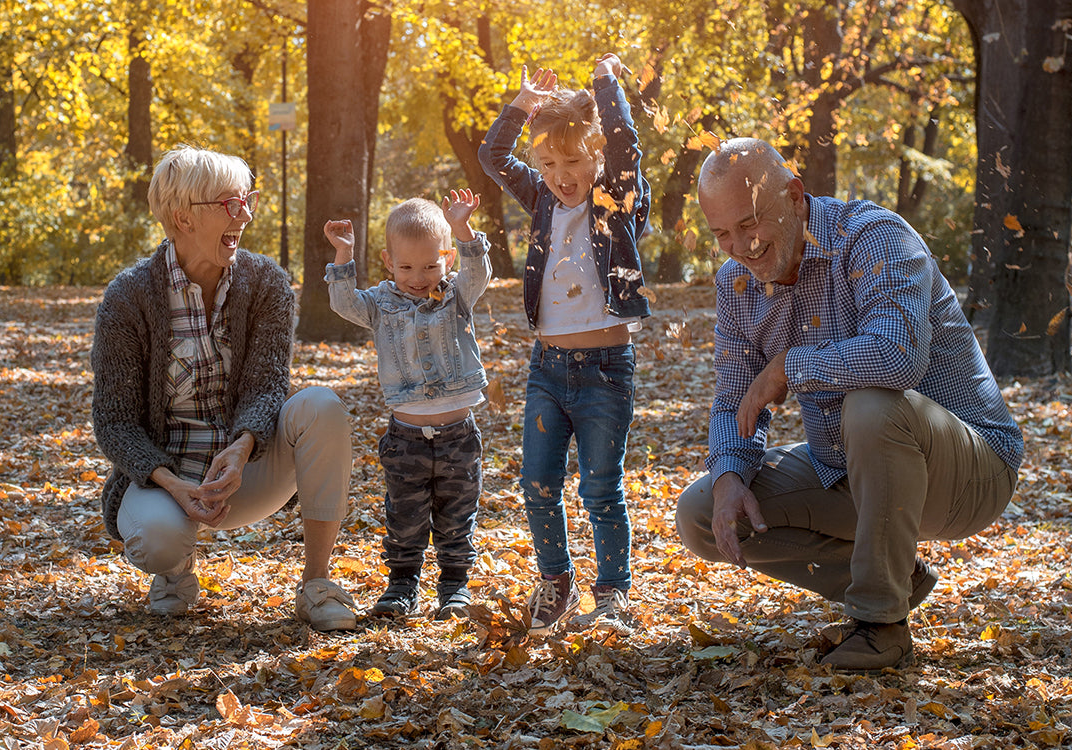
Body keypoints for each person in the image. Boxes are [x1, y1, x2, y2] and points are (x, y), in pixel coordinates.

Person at [674, 138, 1025, 669]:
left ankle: (880, 624)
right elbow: (734, 399)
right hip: (849, 471)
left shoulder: (873, 237)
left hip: (970, 471)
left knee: (870, 406)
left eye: (749, 223)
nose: (740, 246)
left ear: (794, 196)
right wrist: (729, 475)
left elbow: (897, 357)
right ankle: (897, 576)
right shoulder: (736, 284)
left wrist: (789, 366)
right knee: (702, 512)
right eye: (722, 233)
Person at [91, 144, 359, 630]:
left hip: (246, 469)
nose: (245, 215)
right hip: (168, 477)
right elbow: (115, 423)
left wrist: (241, 448)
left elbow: (267, 386)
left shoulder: (266, 283)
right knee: (157, 542)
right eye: (230, 204)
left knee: (322, 406)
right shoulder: (128, 297)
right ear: (183, 217)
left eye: (247, 200)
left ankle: (317, 583)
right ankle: (175, 570)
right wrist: (172, 484)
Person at [479, 53, 651, 636]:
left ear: (596, 155)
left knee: (600, 487)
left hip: (606, 369)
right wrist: (521, 105)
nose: (561, 174)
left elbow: (626, 145)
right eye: (549, 163)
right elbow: (493, 157)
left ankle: (612, 592)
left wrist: (606, 85)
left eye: (573, 160)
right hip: (547, 369)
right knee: (536, 482)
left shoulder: (615, 200)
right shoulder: (542, 202)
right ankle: (557, 580)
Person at [323, 190, 493, 621]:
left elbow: (478, 270)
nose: (419, 278)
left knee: (457, 515)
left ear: (447, 259)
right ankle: (402, 585)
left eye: (431, 266)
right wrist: (343, 255)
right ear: (388, 262)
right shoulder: (379, 305)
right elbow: (343, 303)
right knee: (405, 516)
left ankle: (454, 587)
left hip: (458, 437)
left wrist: (462, 228)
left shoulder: (456, 295)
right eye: (406, 267)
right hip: (406, 438)